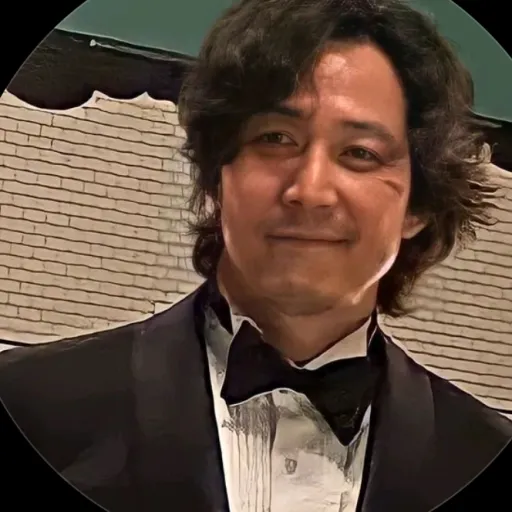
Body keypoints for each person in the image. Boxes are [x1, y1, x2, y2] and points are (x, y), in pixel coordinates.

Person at [0, 0, 510, 511]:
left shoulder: (484, 452)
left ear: (417, 206)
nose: (310, 190)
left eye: (360, 153)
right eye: (275, 138)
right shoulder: (28, 403)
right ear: (218, 175)